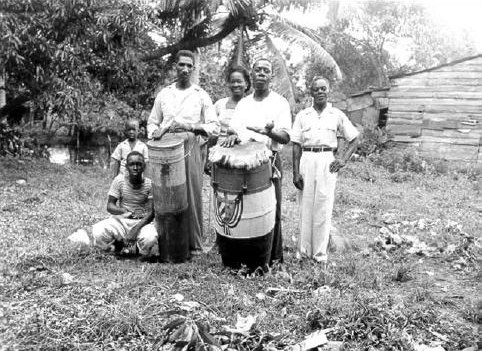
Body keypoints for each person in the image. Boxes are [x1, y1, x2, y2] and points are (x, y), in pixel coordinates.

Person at [147, 50, 219, 255]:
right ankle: (169, 240)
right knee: (167, 193)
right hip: (166, 149)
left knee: (191, 192)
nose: (185, 69)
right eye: (181, 65)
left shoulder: (200, 95)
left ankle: (193, 243)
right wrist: (157, 132)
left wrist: (191, 126)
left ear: (193, 69)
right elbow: (152, 123)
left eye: (189, 66)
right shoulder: (164, 93)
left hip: (190, 145)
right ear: (175, 67)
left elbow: (214, 127)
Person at [222, 58, 291, 265]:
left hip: (269, 161)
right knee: (247, 210)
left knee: (272, 208)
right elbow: (233, 130)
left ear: (271, 76)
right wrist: (232, 136)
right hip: (243, 164)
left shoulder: (280, 102)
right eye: (258, 69)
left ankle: (273, 256)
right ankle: (244, 257)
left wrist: (270, 132)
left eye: (266, 70)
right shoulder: (243, 103)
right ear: (251, 74)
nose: (261, 73)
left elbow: (286, 137)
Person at [291, 76, 359, 264]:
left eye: (323, 88)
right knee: (305, 205)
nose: (320, 92)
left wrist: (343, 159)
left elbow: (354, 138)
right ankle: (304, 252)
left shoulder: (336, 114)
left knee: (323, 205)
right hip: (307, 158)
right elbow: (296, 145)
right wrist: (295, 172)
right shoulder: (303, 115)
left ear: (328, 91)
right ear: (311, 92)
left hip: (327, 160)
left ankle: (320, 254)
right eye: (316, 89)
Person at [68, 151, 158, 257]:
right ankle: (115, 246)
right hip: (122, 220)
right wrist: (123, 211)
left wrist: (135, 230)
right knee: (98, 232)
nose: (135, 168)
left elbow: (151, 213)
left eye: (139, 164)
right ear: (126, 166)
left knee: (150, 238)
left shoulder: (150, 184)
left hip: (142, 223)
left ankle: (141, 252)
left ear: (144, 166)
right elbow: (110, 206)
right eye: (132, 164)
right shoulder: (119, 180)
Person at [214, 65, 251, 135]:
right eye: (232, 82)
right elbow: (211, 126)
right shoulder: (219, 104)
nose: (236, 85)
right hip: (218, 143)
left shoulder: (252, 105)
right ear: (229, 84)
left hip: (243, 143)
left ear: (246, 84)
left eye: (239, 81)